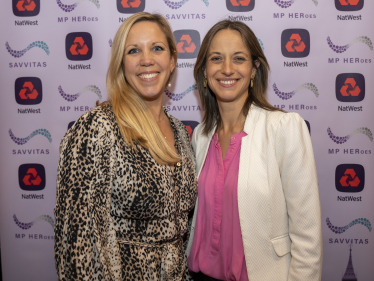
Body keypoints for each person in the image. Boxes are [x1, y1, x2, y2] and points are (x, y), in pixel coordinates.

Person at [54, 12, 197, 281]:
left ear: (172, 60)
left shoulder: (179, 130)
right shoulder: (97, 127)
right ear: (122, 63)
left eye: (157, 48)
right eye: (134, 51)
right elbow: (79, 250)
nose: (147, 59)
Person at [186, 20, 322, 281]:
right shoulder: (201, 137)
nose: (227, 69)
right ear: (204, 71)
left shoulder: (284, 128)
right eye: (216, 59)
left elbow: (308, 238)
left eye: (239, 58)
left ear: (253, 69)